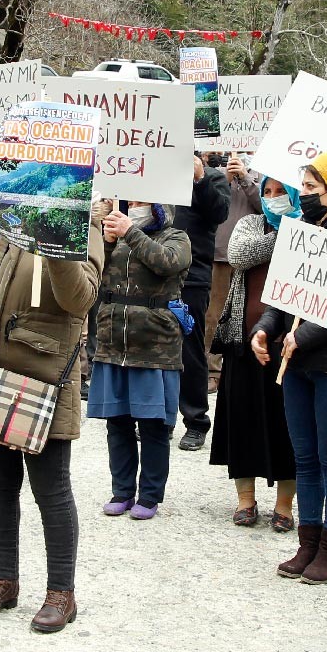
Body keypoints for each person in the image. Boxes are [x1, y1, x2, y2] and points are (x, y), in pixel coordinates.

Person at [0, 228, 102, 633]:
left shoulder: (82, 229)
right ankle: (3, 580)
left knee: (51, 493)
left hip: (46, 381)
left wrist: (58, 241)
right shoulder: (14, 226)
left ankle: (61, 593)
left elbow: (79, 298)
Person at [251, 153, 327, 585]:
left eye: (310, 187)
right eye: (301, 186)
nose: (301, 194)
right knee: (304, 458)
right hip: (296, 366)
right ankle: (307, 542)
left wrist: (303, 338)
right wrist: (265, 330)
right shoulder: (300, 231)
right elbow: (281, 295)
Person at [91, 196, 192, 519]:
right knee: (117, 423)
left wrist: (131, 232)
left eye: (142, 200)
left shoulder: (177, 237)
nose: (134, 205)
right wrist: (105, 243)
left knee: (153, 426)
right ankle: (121, 491)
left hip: (155, 348)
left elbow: (167, 263)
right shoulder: (114, 236)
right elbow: (94, 275)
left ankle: (149, 496)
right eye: (131, 199)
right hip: (113, 343)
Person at [209, 176, 297, 529]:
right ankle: (245, 500)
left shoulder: (313, 232)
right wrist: (288, 237)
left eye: (281, 192)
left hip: (290, 345)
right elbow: (239, 255)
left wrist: (302, 235)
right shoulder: (251, 223)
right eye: (268, 192)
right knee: (242, 421)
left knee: (288, 426)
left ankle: (285, 505)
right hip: (243, 341)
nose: (273, 198)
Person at [175, 153, 230, 452]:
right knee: (153, 344)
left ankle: (196, 421)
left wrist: (200, 179)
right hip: (152, 272)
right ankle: (158, 417)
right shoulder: (152, 175)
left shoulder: (212, 177)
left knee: (190, 348)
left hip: (190, 277)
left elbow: (219, 212)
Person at [209, 152, 263, 392]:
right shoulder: (220, 175)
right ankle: (212, 371)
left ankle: (247, 367)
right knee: (213, 316)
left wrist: (245, 178)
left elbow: (265, 207)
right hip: (219, 254)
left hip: (250, 257)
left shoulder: (262, 177)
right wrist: (228, 179)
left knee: (248, 314)